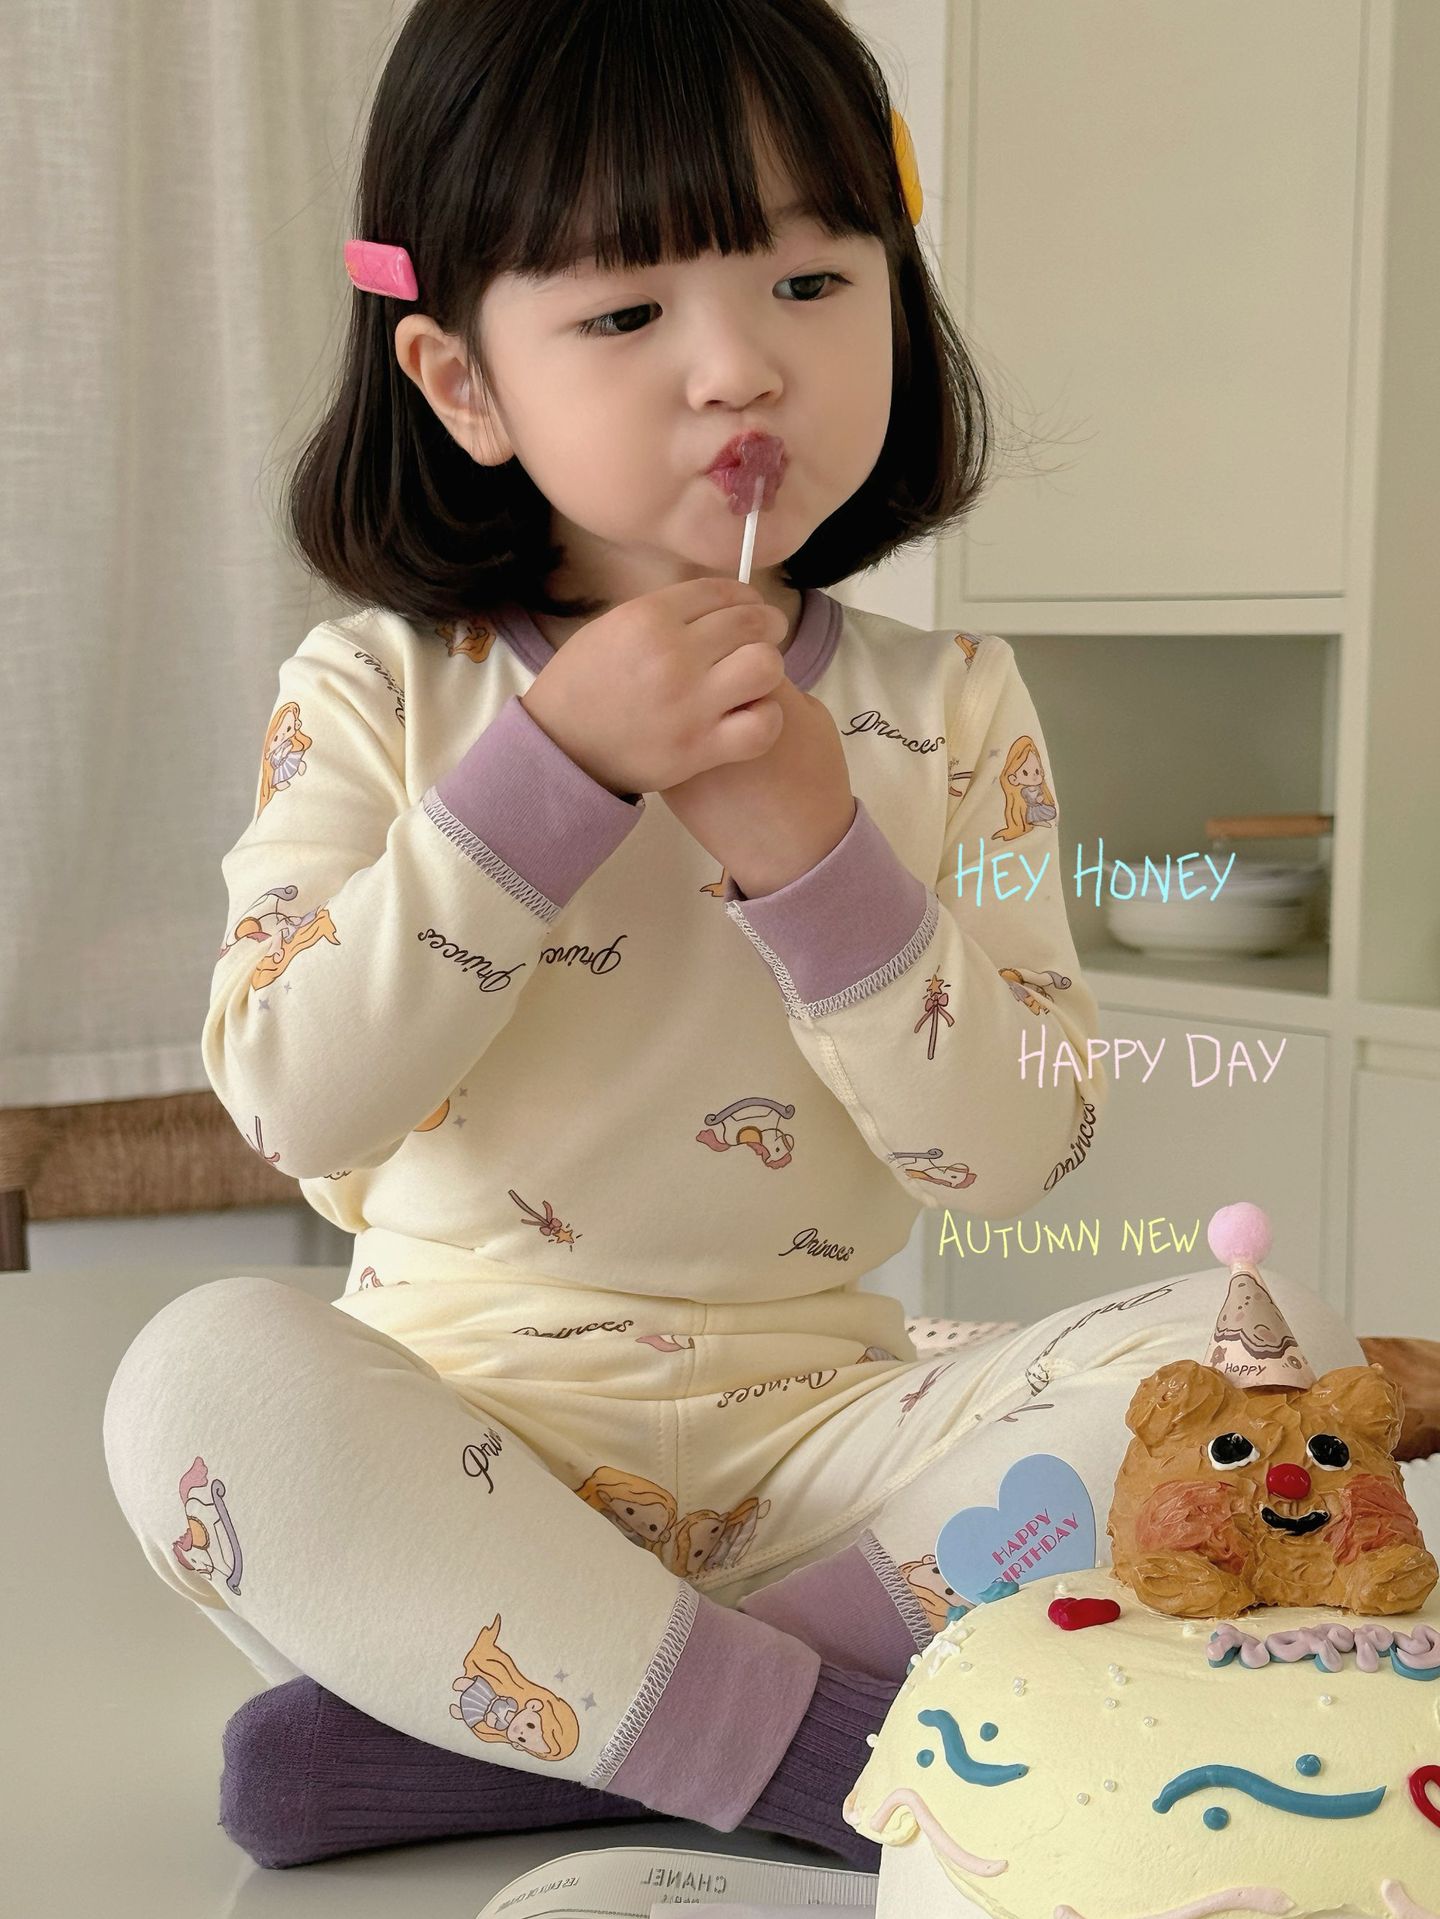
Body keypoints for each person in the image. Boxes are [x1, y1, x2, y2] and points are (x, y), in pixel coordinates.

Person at [100, 0, 1372, 1876]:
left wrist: (817, 856)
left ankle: (552, 1737)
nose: (739, 368)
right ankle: (850, 1760)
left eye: (808, 280)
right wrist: (544, 780)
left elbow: (1011, 1156)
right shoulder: (379, 688)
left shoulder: (950, 705)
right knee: (199, 1379)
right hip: (457, 1474)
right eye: (627, 314)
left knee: (1270, 1353)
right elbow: (296, 1100)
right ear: (462, 383)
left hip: (830, 1467)